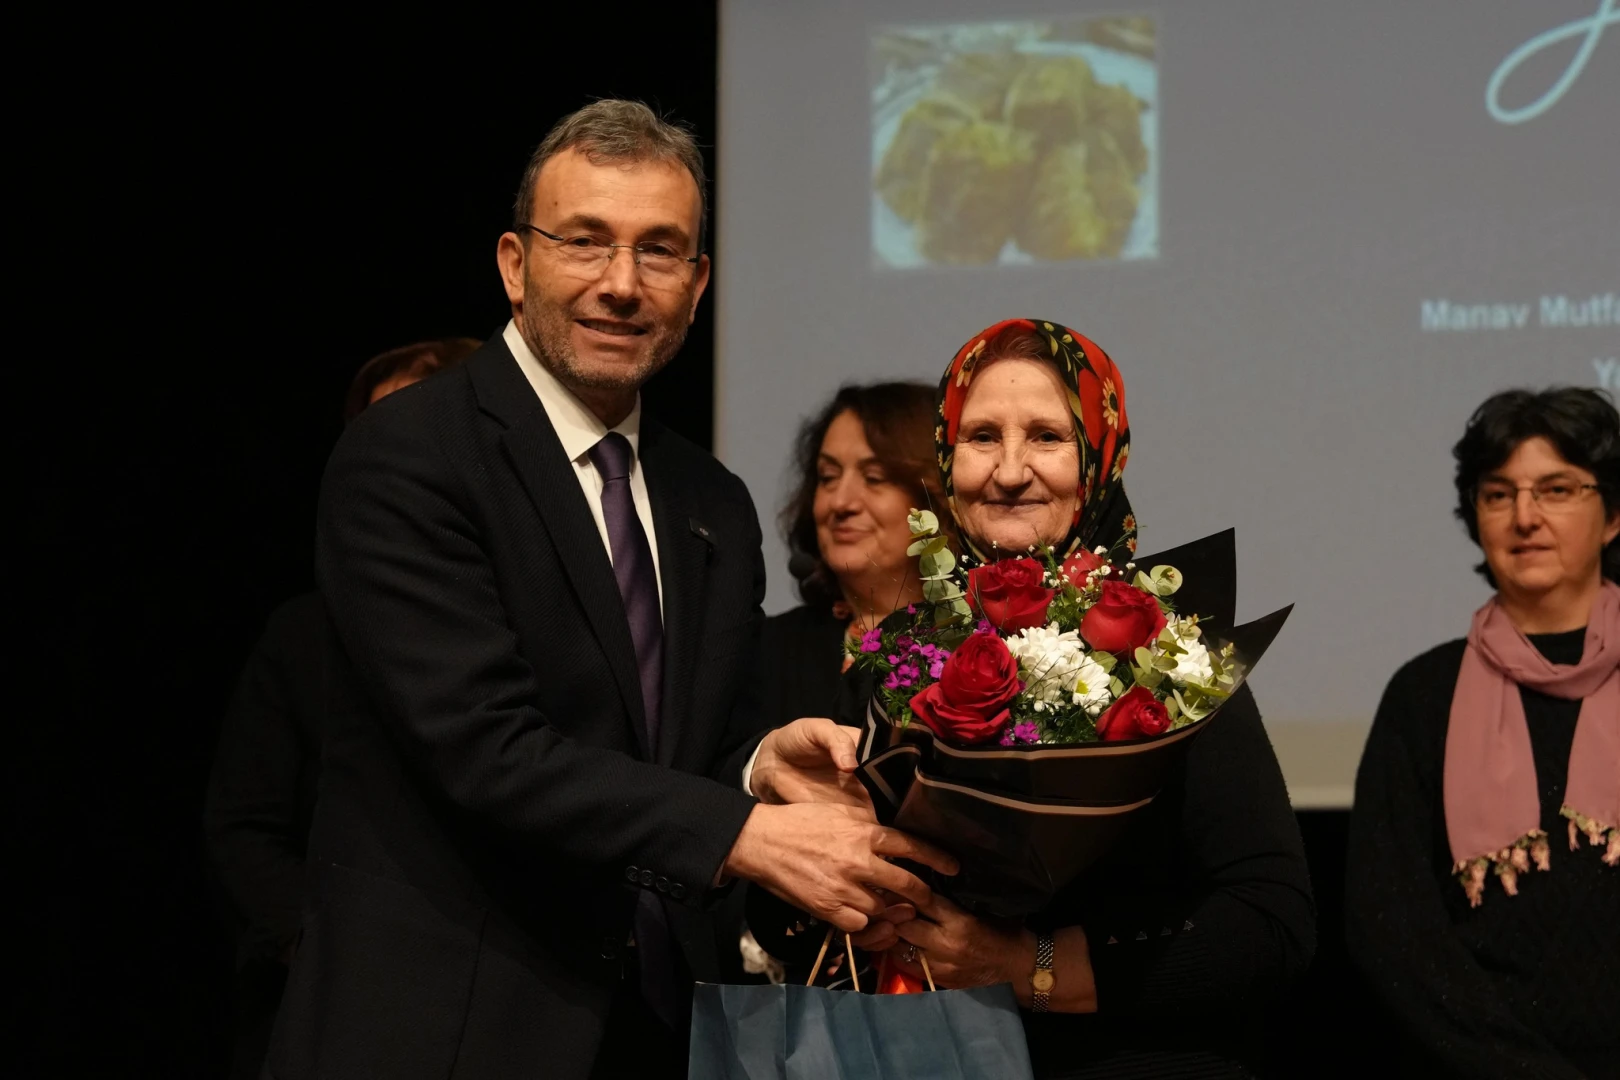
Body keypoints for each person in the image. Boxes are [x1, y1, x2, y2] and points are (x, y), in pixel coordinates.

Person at [263, 100, 954, 1080]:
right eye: (586, 242)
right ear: (514, 263)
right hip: (446, 1029)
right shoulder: (409, 455)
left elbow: (682, 748)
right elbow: (486, 748)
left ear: (698, 281)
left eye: (659, 251)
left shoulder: (708, 498)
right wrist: (747, 832)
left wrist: (760, 762)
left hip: (654, 1031)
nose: (622, 285)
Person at [752, 318, 1315, 1078]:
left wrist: (1025, 965)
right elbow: (781, 920)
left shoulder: (1165, 655)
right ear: (947, 464)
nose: (1010, 471)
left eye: (1046, 436)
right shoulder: (905, 654)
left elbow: (1269, 925)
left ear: (1097, 460)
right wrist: (850, 892)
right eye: (983, 436)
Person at [204, 336, 478, 1080]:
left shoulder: (532, 631)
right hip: (326, 1010)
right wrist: (327, 945)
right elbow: (243, 825)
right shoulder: (302, 634)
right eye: (366, 445)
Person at [1346, 387, 1620, 1079]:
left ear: (1613, 514)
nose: (1525, 517)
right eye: (1498, 495)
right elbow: (1390, 930)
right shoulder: (1421, 695)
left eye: (1556, 489)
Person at [762, 381, 950, 730]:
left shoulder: (985, 644)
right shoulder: (767, 649)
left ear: (935, 495)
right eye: (828, 477)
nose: (841, 502)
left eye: (874, 478)